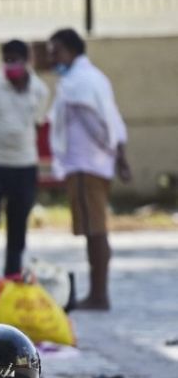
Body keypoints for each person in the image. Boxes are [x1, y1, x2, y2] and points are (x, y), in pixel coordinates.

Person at [47, 28, 131, 310]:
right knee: (94, 228)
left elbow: (98, 125)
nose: (51, 57)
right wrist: (119, 155)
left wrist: (112, 149)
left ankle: (98, 294)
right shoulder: (94, 77)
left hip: (85, 164)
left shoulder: (77, 83)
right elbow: (114, 118)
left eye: (56, 51)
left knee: (95, 229)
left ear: (71, 50)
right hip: (96, 164)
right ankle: (97, 292)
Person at [0, 39, 51, 276]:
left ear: (26, 61)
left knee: (18, 224)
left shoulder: (39, 90)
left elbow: (37, 124)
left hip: (24, 165)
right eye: (6, 60)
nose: (11, 65)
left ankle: (12, 274)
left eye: (15, 60)